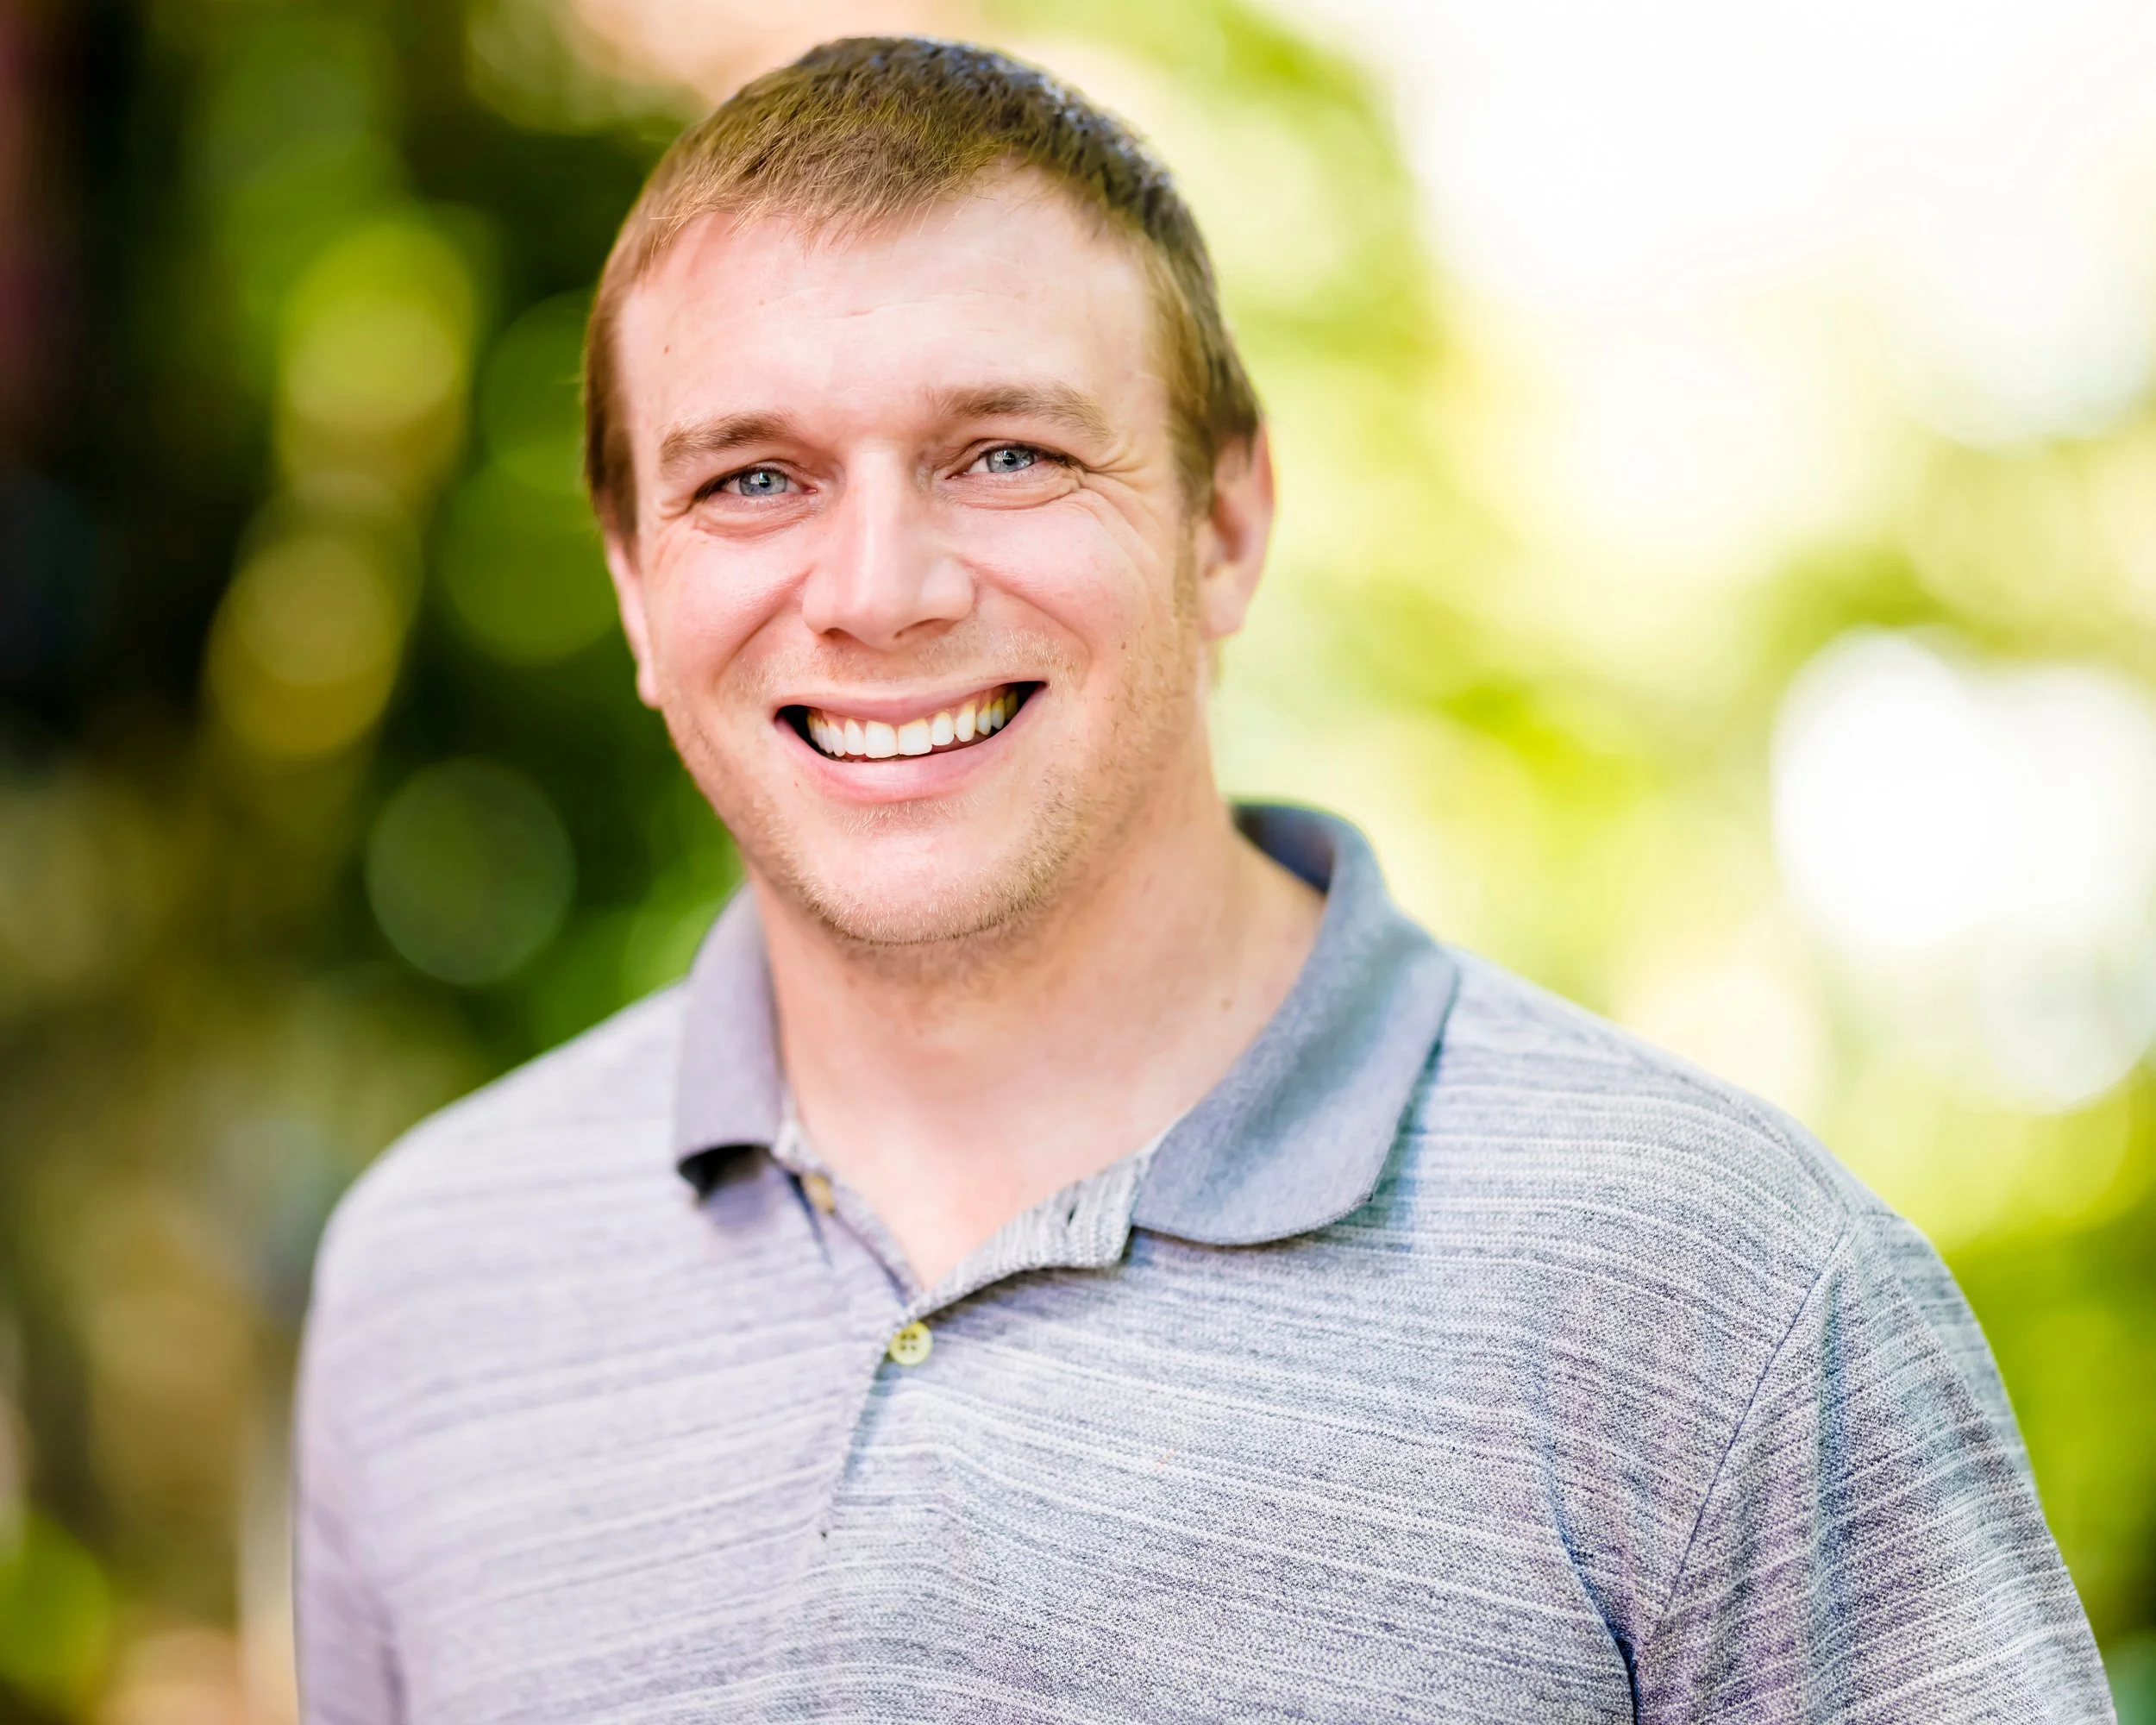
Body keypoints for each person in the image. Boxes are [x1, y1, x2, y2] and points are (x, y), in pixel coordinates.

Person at [294, 35, 2113, 1723]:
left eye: (1000, 453)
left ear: (1221, 524)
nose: (876, 588)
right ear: (632, 584)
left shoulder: (1709, 1285)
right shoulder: (428, 1285)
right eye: (752, 480)